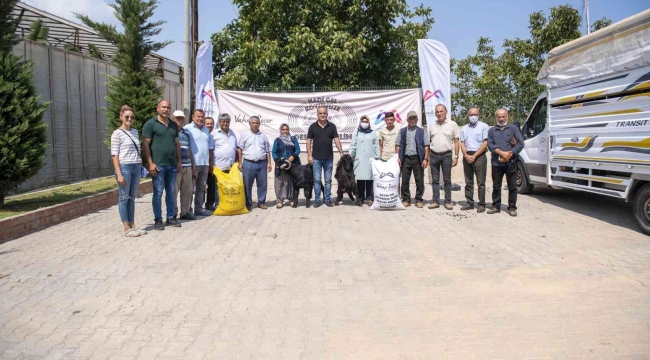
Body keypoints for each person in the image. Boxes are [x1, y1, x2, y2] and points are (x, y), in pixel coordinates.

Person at [142, 100, 182, 229]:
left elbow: (177, 144)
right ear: (157, 109)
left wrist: (179, 161)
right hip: (158, 165)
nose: (166, 109)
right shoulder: (150, 124)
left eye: (168, 107)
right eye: (163, 107)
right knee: (158, 192)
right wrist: (150, 163)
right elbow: (145, 145)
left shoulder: (173, 125)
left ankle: (171, 218)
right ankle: (158, 219)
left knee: (171, 192)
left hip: (172, 164)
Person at [110, 105, 146, 237]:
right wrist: (119, 173)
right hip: (124, 167)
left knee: (132, 197)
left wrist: (140, 165)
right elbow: (115, 155)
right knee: (124, 197)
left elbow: (138, 150)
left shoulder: (135, 132)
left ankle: (133, 224)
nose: (129, 119)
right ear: (121, 117)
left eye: (132, 117)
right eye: (127, 117)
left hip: (136, 166)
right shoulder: (117, 133)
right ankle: (126, 226)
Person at [487, 108, 524, 216]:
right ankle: (496, 206)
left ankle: (512, 207)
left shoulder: (513, 128)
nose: (501, 119)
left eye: (503, 116)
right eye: (499, 117)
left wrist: (510, 154)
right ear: (496, 118)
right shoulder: (492, 130)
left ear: (507, 116)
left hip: (511, 162)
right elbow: (490, 145)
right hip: (496, 163)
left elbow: (520, 143)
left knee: (512, 186)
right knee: (496, 186)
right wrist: (501, 153)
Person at [307, 106, 344, 208]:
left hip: (328, 158)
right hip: (316, 159)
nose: (322, 115)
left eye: (324, 113)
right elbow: (308, 141)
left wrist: (341, 152)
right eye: (320, 113)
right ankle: (317, 200)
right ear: (317, 114)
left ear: (327, 114)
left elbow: (336, 139)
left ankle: (327, 199)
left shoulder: (332, 126)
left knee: (328, 181)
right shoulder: (312, 127)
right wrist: (309, 155)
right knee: (317, 180)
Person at [427, 104, 460, 210]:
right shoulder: (431, 125)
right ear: (435, 113)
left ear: (446, 112)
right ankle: (435, 201)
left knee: (447, 180)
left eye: (441, 111)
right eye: (437, 112)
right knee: (435, 180)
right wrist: (427, 157)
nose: (439, 114)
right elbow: (428, 142)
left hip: (447, 155)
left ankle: (447, 201)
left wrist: (456, 156)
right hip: (434, 155)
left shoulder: (452, 124)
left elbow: (456, 141)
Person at [396, 111, 430, 208]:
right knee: (405, 181)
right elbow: (398, 144)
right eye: (410, 118)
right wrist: (398, 157)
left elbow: (426, 145)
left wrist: (425, 159)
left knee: (419, 181)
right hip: (405, 159)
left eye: (414, 118)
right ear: (407, 120)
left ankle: (419, 200)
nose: (412, 120)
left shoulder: (422, 131)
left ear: (417, 119)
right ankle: (406, 199)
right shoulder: (402, 131)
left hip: (418, 159)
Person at [238, 116, 272, 210]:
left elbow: (267, 150)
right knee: (247, 184)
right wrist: (240, 163)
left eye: (257, 123)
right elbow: (240, 149)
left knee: (262, 184)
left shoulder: (263, 136)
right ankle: (248, 203)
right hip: (248, 163)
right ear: (249, 124)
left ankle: (261, 202)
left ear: (259, 124)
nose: (255, 124)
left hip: (262, 163)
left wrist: (269, 163)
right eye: (253, 123)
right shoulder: (244, 135)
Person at [184, 109, 214, 216]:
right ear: (193, 117)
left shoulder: (206, 130)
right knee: (190, 189)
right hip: (193, 164)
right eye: (198, 116)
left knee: (201, 188)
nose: (200, 118)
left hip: (204, 163)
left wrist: (210, 163)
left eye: (202, 117)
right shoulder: (187, 128)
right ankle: (188, 210)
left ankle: (199, 209)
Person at [460, 108, 489, 213]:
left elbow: (485, 143)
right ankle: (469, 203)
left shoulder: (484, 126)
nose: (473, 116)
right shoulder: (464, 128)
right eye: (471, 114)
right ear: (468, 116)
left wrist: (475, 155)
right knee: (468, 181)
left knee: (481, 182)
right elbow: (462, 143)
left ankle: (481, 204)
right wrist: (466, 155)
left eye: (475, 114)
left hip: (479, 156)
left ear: (479, 115)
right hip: (467, 155)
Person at [171, 110, 196, 221]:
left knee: (187, 190)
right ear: (173, 119)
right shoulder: (170, 132)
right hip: (176, 166)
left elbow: (189, 149)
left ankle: (185, 212)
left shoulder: (186, 133)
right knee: (174, 191)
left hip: (187, 165)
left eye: (181, 118)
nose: (179, 120)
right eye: (177, 118)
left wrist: (193, 165)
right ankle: (173, 213)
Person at [349, 115, 379, 206]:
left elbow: (376, 146)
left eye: (366, 122)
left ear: (369, 123)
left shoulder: (373, 133)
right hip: (359, 159)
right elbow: (353, 145)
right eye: (363, 121)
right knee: (360, 180)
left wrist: (377, 157)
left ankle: (370, 198)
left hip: (370, 159)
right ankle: (360, 198)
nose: (364, 123)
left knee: (370, 179)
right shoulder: (356, 133)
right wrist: (351, 154)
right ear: (360, 122)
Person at [211, 114, 238, 208]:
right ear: (220, 122)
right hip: (219, 166)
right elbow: (211, 150)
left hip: (230, 166)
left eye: (227, 122)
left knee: (228, 187)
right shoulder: (214, 134)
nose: (225, 123)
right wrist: (211, 164)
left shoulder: (232, 133)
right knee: (219, 187)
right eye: (223, 121)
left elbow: (235, 149)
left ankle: (227, 204)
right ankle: (219, 205)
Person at [272, 123, 300, 208]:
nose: (285, 131)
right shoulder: (277, 140)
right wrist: (278, 161)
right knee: (279, 182)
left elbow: (298, 149)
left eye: (286, 129)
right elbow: (274, 152)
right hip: (280, 164)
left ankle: (291, 200)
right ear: (281, 130)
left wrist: (293, 156)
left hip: (292, 164)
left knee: (290, 182)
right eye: (283, 129)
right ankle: (279, 201)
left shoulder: (293, 138)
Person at [204, 117, 217, 211]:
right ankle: (197, 206)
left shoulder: (213, 135)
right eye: (207, 123)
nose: (209, 125)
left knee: (212, 186)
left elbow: (212, 151)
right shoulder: (202, 134)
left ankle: (209, 204)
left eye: (211, 124)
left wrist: (211, 164)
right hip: (201, 164)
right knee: (201, 186)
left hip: (211, 165)